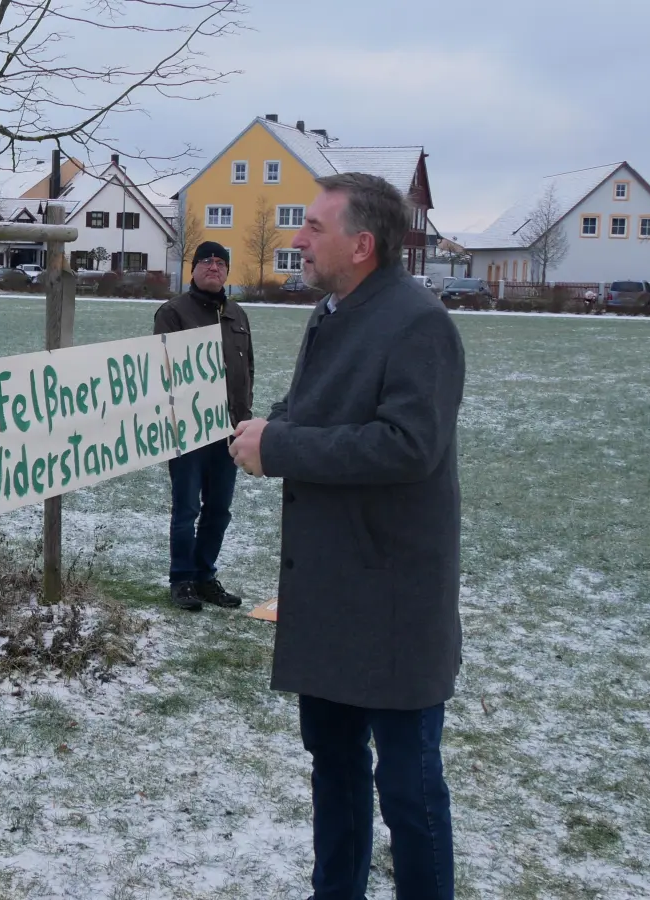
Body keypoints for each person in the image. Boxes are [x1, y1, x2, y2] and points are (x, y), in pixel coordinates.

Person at [229, 172, 464, 900]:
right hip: (329, 591)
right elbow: (313, 409)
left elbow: (407, 447)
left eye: (314, 229)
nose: (298, 240)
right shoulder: (332, 312)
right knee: (332, 766)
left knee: (408, 785)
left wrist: (283, 447)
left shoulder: (419, 323)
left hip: (393, 600)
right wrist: (266, 428)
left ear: (362, 245)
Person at [153, 241, 254, 612]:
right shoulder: (173, 313)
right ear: (193, 269)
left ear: (227, 271)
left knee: (219, 509)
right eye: (206, 262)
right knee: (186, 509)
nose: (214, 267)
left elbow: (247, 371)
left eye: (221, 262)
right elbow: (162, 369)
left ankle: (205, 576)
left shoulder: (238, 314)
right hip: (189, 431)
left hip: (228, 431)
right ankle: (182, 580)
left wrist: (243, 419)